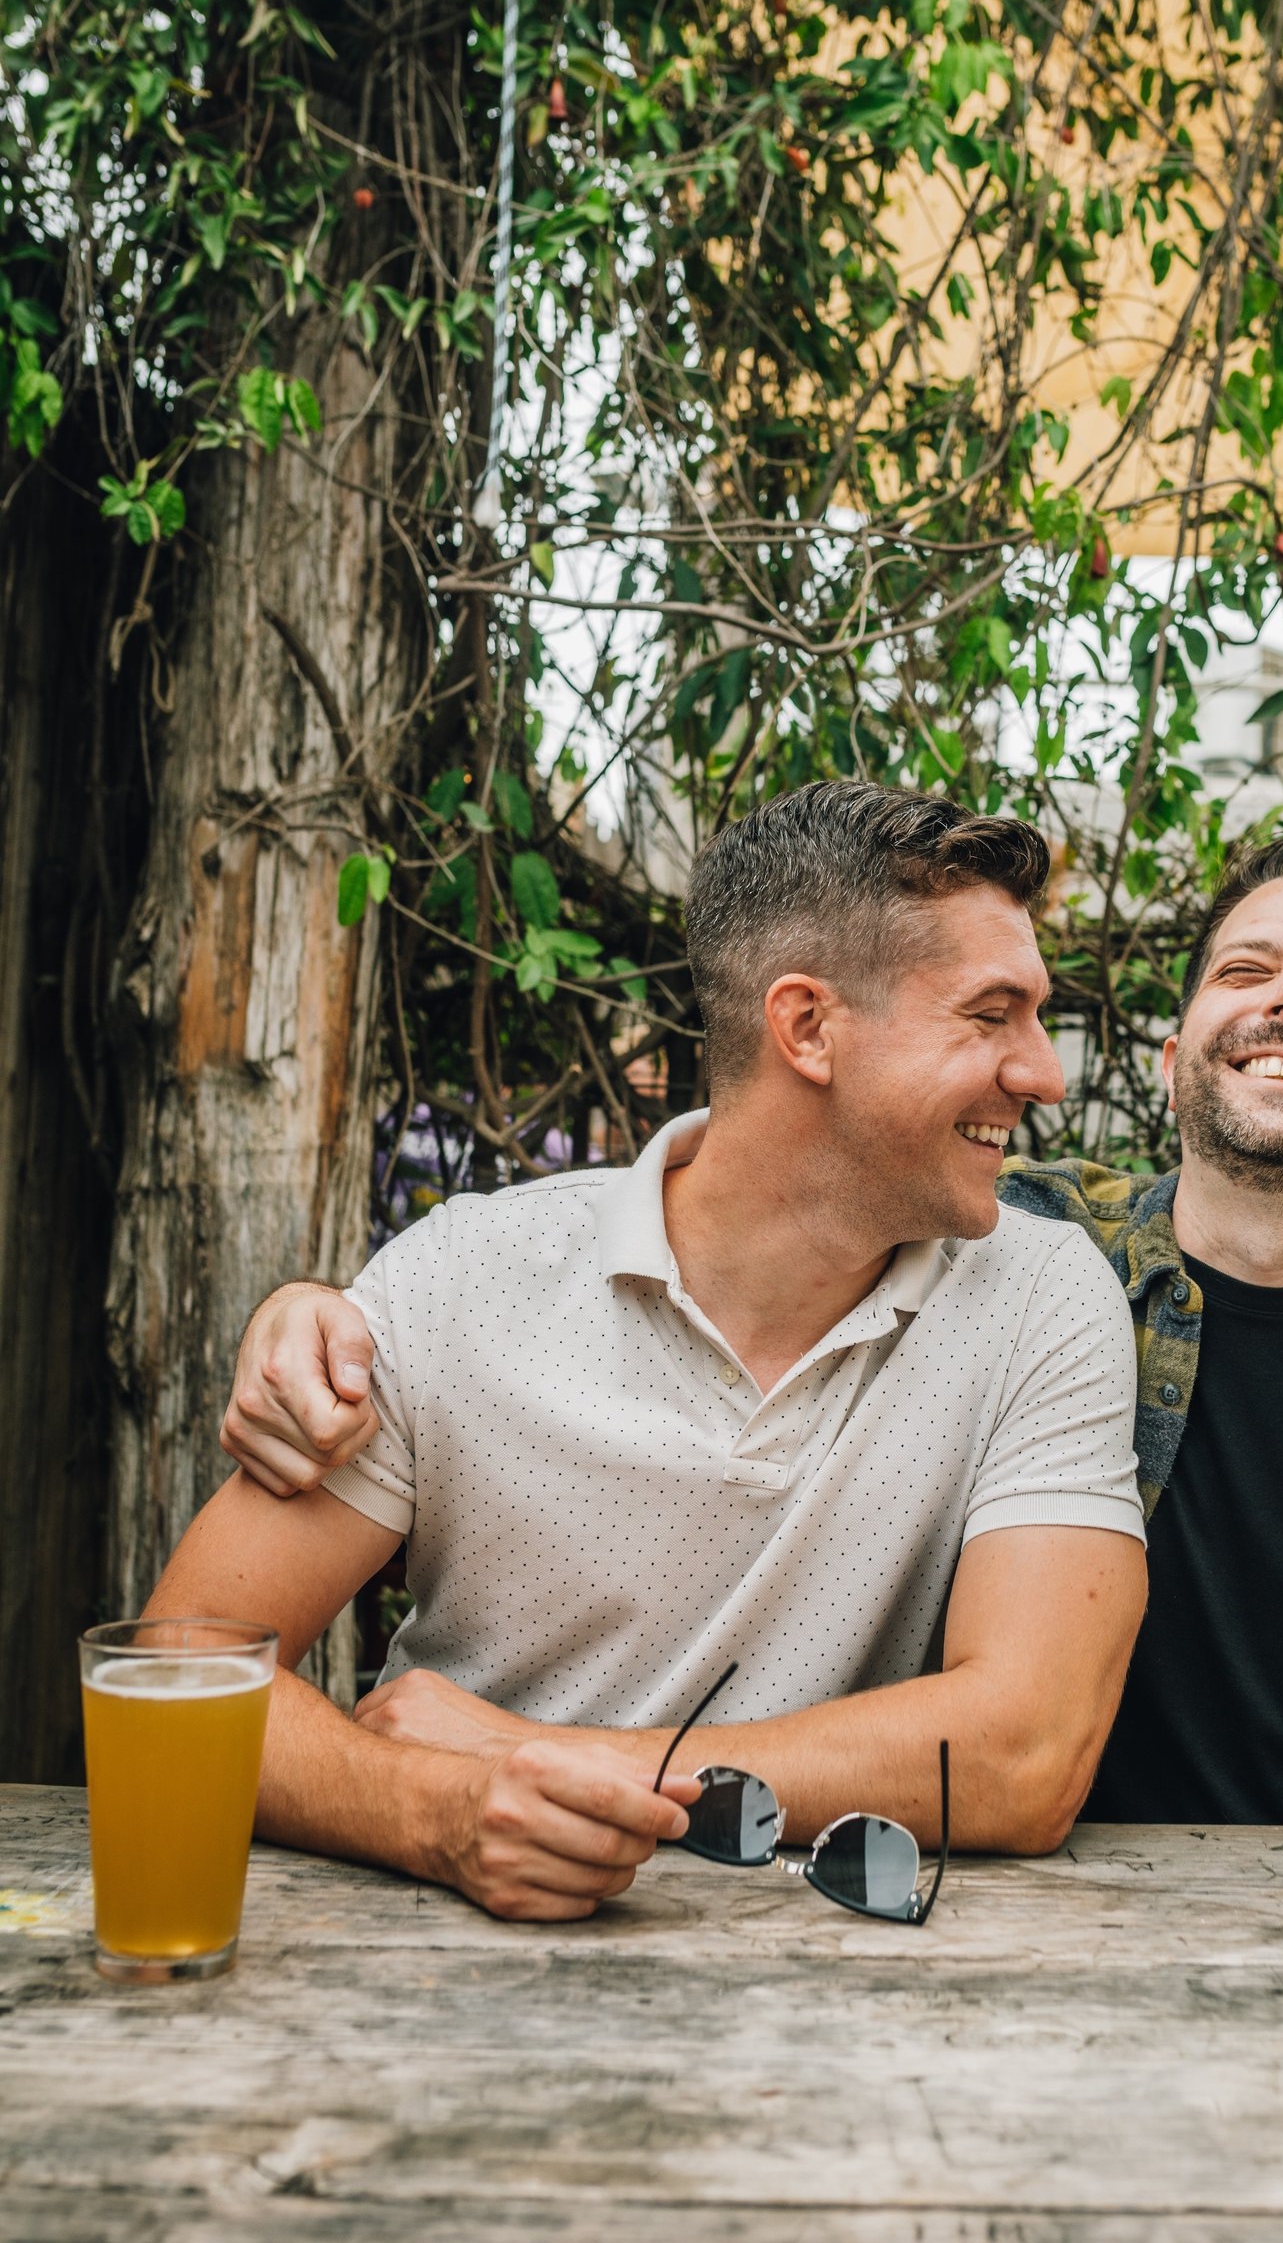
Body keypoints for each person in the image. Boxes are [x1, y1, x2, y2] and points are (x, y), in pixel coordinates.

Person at [226, 829, 1283, 1896]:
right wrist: (335, 1307)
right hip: (1017, 1963)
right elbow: (770, 1188)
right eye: (1245, 971)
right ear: (1180, 1048)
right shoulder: (1006, 1243)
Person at [149, 784, 1149, 1921]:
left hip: (838, 1988)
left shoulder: (1040, 1293)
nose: (1044, 1072)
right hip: (431, 1969)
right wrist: (433, 1814)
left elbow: (1026, 1756)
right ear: (808, 1027)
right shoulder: (466, 1279)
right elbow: (182, 1670)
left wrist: (539, 1757)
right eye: (990, 1015)